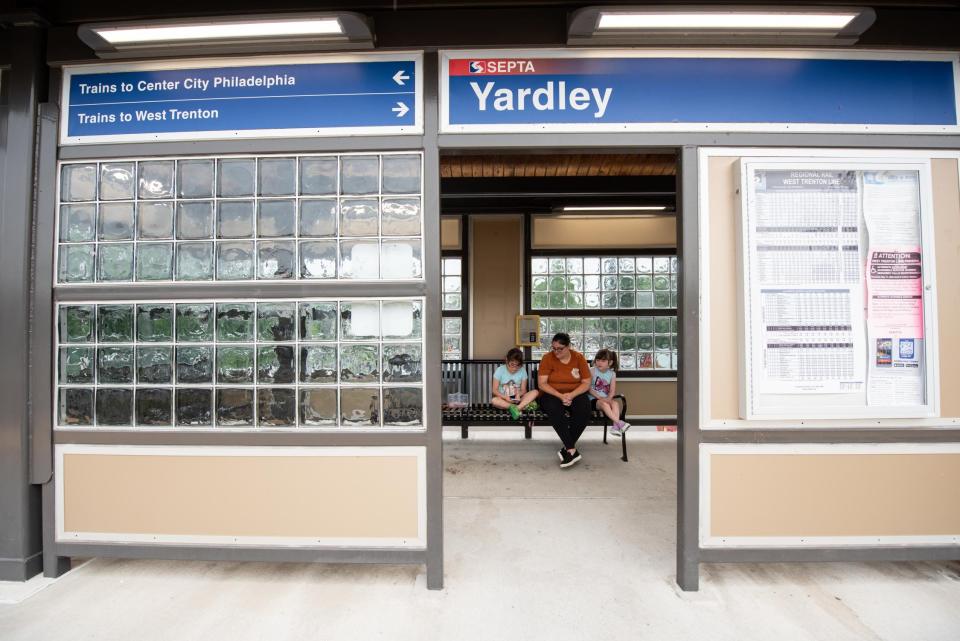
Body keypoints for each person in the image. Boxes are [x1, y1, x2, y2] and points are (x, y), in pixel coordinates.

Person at [537, 332, 592, 468]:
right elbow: (542, 384)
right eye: (554, 348)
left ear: (568, 347)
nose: (556, 352)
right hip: (551, 393)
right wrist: (561, 396)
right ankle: (571, 448)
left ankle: (567, 449)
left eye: (560, 349)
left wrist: (571, 395)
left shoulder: (579, 358)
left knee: (584, 409)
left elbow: (586, 382)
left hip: (575, 392)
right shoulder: (547, 358)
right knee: (555, 409)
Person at [589, 349, 631, 436]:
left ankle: (615, 427)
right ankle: (619, 423)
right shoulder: (592, 371)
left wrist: (609, 398)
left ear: (610, 362)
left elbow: (612, 391)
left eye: (603, 360)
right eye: (597, 360)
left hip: (605, 399)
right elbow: (588, 388)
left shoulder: (612, 374)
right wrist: (600, 398)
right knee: (605, 404)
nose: (599, 362)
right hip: (593, 400)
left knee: (615, 404)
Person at [491, 347, 539, 420]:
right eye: (512, 364)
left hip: (518, 400)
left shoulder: (522, 371)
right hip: (504, 401)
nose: (514, 368)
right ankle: (520, 407)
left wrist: (517, 395)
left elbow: (523, 390)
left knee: (535, 392)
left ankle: (517, 408)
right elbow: (494, 390)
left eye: (518, 366)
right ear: (507, 360)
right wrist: (505, 397)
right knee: (494, 400)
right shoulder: (499, 370)